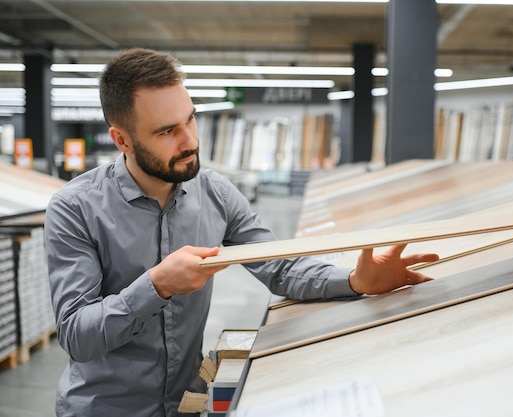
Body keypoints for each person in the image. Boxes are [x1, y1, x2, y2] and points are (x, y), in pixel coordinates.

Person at [44, 47, 439, 417]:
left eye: (190, 119)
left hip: (184, 406)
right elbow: (78, 336)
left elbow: (280, 268)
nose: (190, 141)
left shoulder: (214, 192)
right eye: (166, 132)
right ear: (122, 140)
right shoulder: (75, 209)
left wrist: (355, 280)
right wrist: (156, 285)